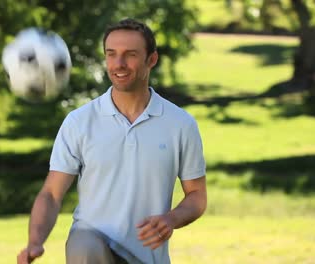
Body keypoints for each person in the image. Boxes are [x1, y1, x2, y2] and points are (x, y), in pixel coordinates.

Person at [17, 18, 207, 264]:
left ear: (151, 60)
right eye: (111, 54)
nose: (119, 64)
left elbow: (197, 196)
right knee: (84, 243)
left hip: (147, 256)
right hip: (89, 246)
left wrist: (171, 219)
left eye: (130, 55)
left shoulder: (180, 124)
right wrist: (35, 241)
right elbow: (52, 194)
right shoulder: (79, 122)